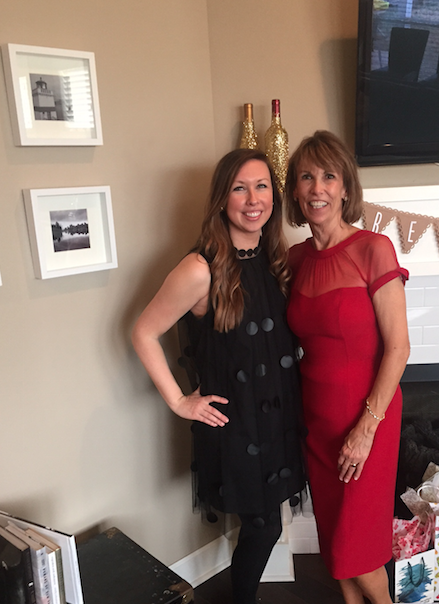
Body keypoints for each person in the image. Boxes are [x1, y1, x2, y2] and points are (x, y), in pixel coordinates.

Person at [132, 148, 306, 604]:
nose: (253, 199)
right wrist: (179, 401)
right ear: (222, 199)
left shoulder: (275, 257)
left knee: (264, 525)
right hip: (236, 427)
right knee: (264, 526)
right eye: (239, 188)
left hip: (276, 420)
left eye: (262, 186)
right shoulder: (199, 269)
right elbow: (143, 332)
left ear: (274, 196)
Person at [285, 131, 410, 604]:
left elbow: (398, 348)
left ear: (344, 188)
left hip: (367, 418)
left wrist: (366, 427)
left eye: (328, 176)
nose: (317, 188)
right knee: (334, 538)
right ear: (295, 191)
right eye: (306, 177)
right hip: (316, 421)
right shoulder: (295, 260)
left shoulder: (373, 249)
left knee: (358, 549)